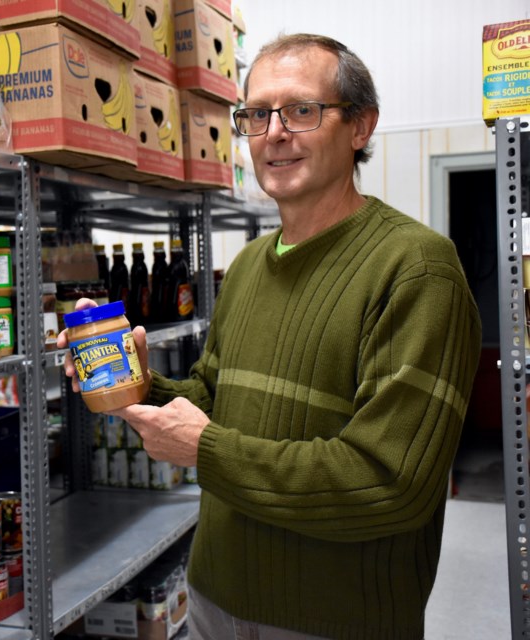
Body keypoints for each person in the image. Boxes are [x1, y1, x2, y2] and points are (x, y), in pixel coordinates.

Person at [58, 34, 481, 640]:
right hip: (214, 595)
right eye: (256, 115)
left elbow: (390, 482)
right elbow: (214, 399)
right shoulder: (252, 264)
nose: (274, 133)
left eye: (302, 110)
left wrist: (205, 451)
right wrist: (134, 385)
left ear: (361, 126)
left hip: (337, 617)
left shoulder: (416, 269)